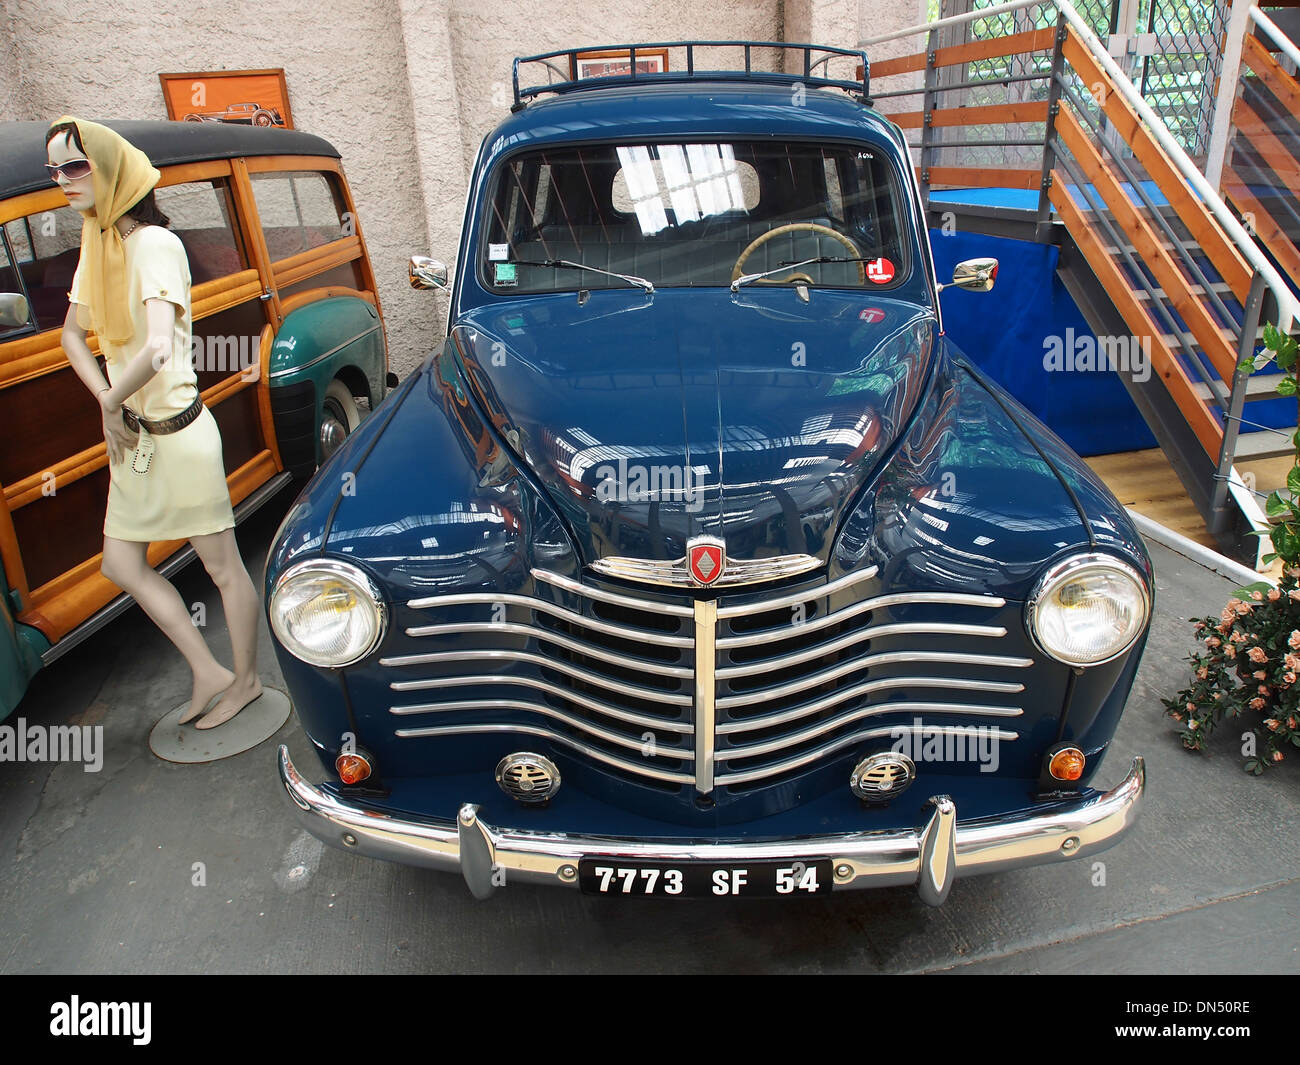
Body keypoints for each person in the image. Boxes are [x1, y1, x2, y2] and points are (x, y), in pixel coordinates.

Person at [48, 116, 263, 730]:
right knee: (120, 563)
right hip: (135, 439)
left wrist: (111, 401)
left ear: (112, 169)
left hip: (178, 432)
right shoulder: (99, 241)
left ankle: (246, 681)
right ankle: (208, 670)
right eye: (55, 170)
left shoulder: (155, 245)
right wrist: (108, 401)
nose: (64, 180)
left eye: (75, 166)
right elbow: (70, 335)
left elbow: (161, 347)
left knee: (222, 567)